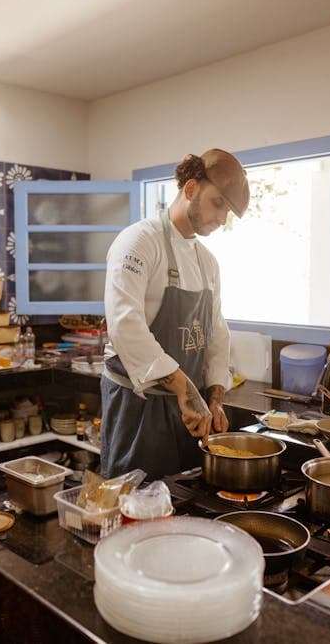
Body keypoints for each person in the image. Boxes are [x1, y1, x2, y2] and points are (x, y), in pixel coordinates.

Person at [101, 148, 250, 479]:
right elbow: (125, 325)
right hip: (138, 409)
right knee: (136, 507)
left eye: (228, 211)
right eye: (218, 203)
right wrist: (184, 387)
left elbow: (216, 333)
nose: (222, 218)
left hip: (189, 409)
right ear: (192, 188)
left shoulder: (207, 262)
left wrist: (214, 397)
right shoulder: (138, 242)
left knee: (185, 502)